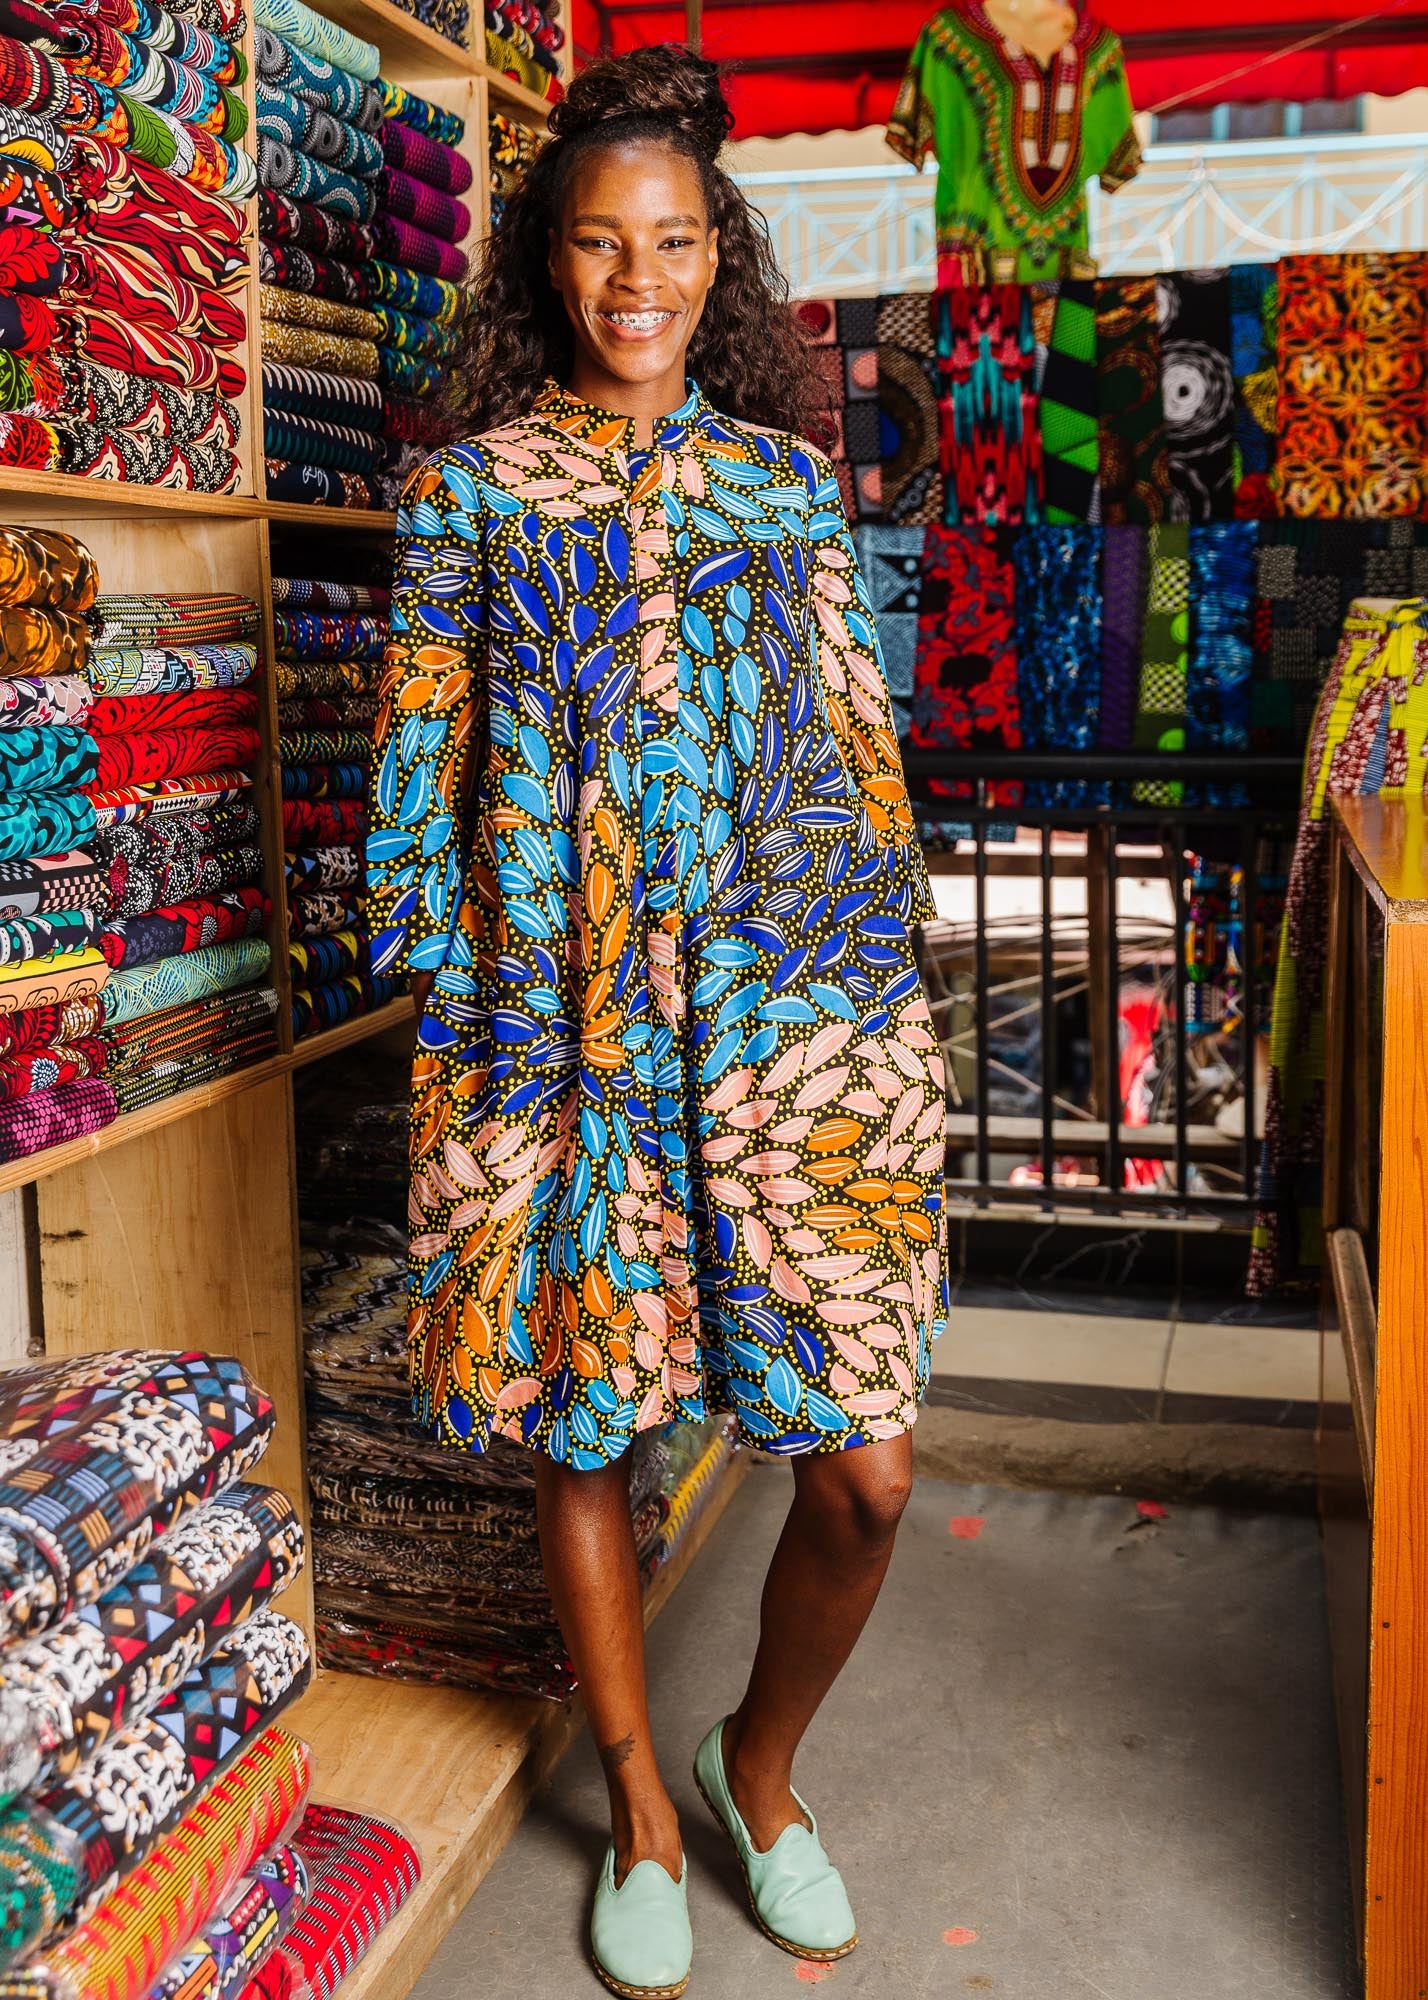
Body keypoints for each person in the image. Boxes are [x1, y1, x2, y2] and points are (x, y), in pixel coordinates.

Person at [366, 43, 950, 1999]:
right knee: (586, 1428)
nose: (639, 277)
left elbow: (853, 772)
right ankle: (634, 1808)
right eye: (601, 243)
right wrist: (459, 1051)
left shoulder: (787, 487)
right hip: (558, 1033)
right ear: (547, 258)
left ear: (724, 256)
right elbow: (419, 781)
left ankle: (754, 1771)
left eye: (676, 241)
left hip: (791, 1018)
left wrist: (883, 1035)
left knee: (862, 1464)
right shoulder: (465, 500)